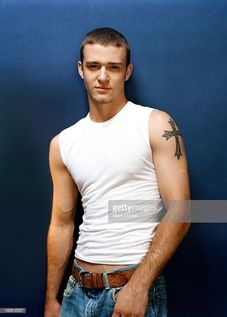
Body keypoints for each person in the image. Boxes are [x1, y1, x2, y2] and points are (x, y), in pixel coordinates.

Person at [44, 27, 190, 317]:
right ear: (80, 69)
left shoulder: (156, 124)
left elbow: (182, 211)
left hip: (131, 290)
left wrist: (139, 286)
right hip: (75, 291)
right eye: (94, 66)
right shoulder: (63, 143)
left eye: (113, 67)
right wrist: (51, 298)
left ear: (127, 71)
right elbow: (61, 225)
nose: (102, 76)